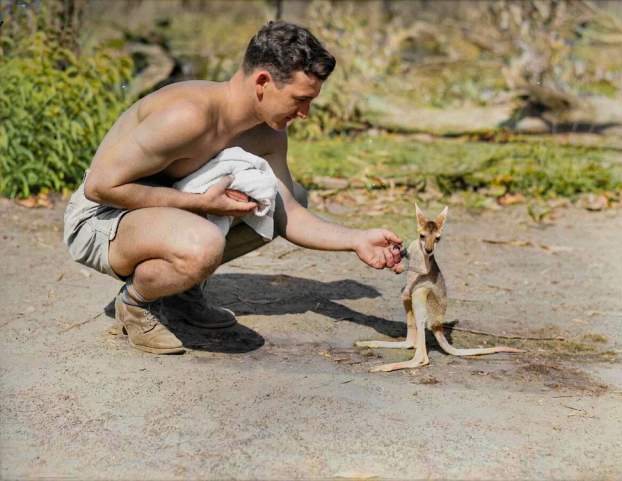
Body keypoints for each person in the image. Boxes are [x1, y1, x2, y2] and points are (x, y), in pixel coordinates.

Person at [63, 20, 404, 355]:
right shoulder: (187, 116)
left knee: (287, 196)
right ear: (262, 82)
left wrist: (356, 239)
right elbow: (100, 187)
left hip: (161, 213)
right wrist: (197, 203)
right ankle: (135, 303)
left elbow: (290, 214)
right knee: (204, 244)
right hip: (101, 219)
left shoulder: (268, 134)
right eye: (300, 99)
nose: (306, 113)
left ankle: (181, 291)